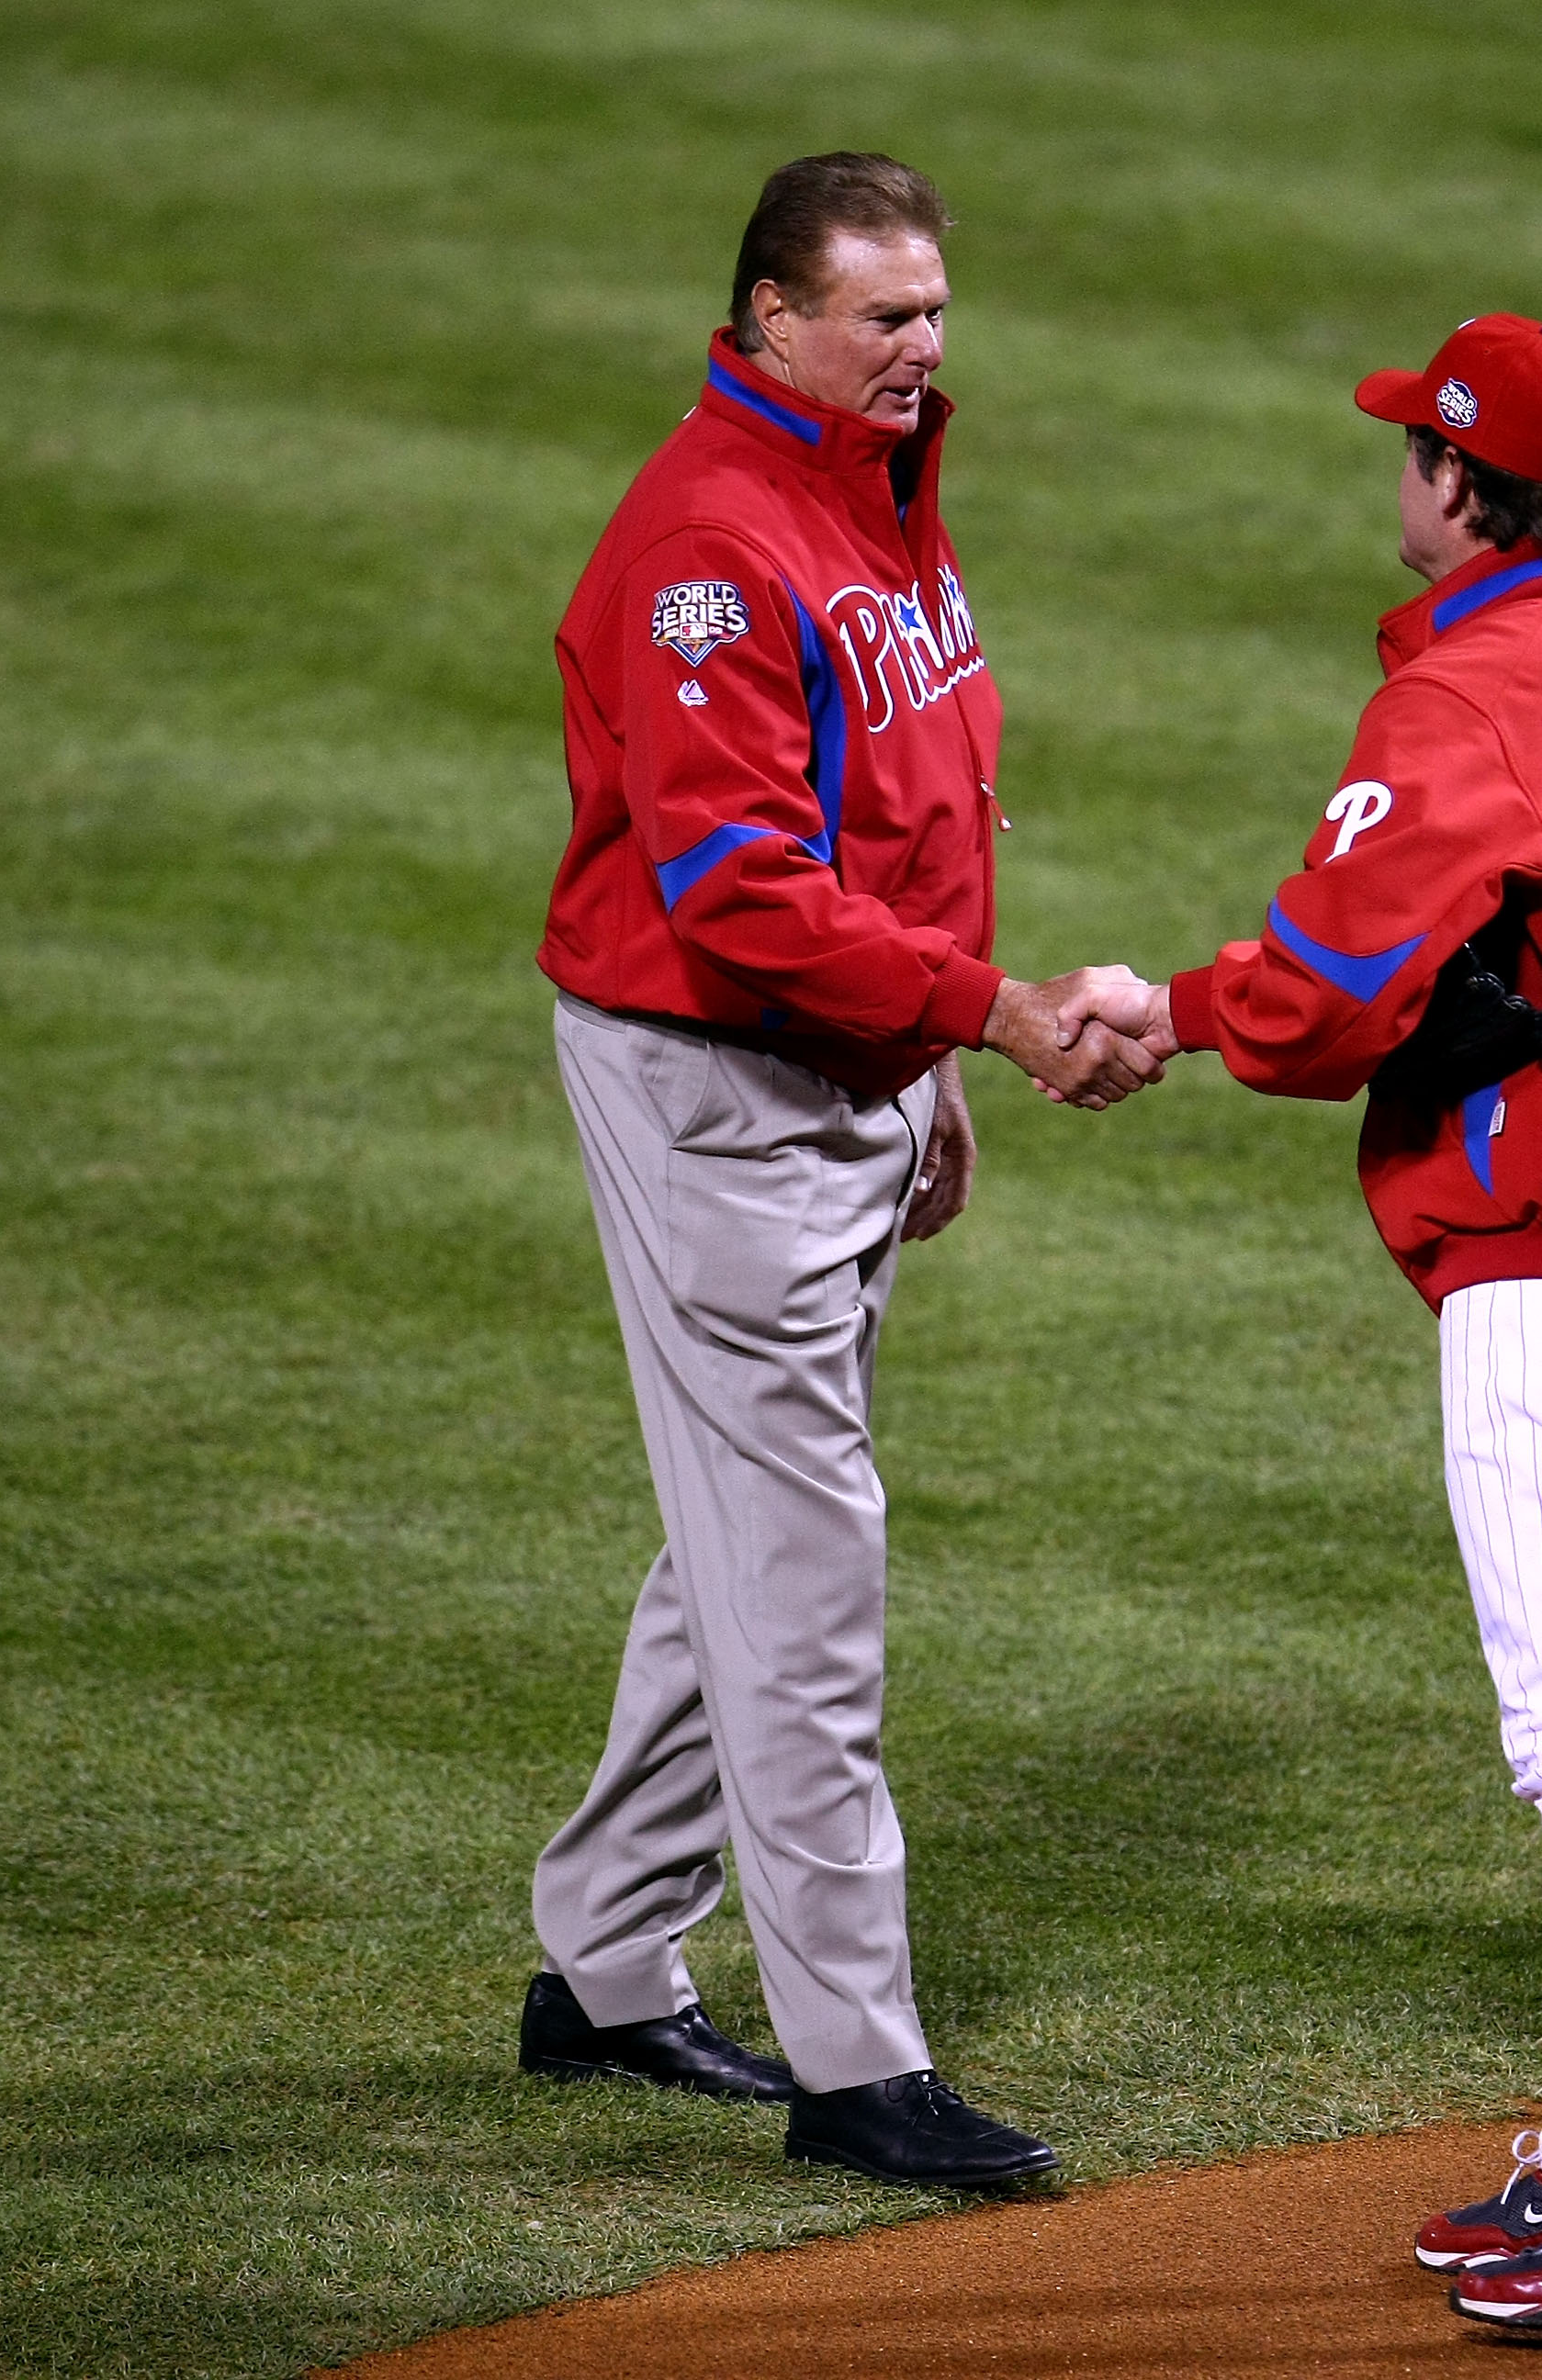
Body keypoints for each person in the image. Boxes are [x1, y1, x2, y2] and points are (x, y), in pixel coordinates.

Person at [1098, 315, 1542, 2323]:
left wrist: (1170, 1008)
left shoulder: (1473, 700)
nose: (1397, 465)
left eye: (1415, 442)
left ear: (1454, 484)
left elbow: (1325, 994)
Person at [519, 152, 1158, 2192]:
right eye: (882, 316)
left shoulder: (869, 493)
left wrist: (922, 1059)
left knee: (751, 1529)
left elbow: (905, 804)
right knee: (808, 1576)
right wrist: (982, 1007)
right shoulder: (714, 542)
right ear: (771, 316)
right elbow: (734, 894)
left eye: (937, 312)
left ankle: (607, 1964)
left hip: (834, 1069)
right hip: (719, 1086)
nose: (921, 348)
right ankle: (856, 2063)